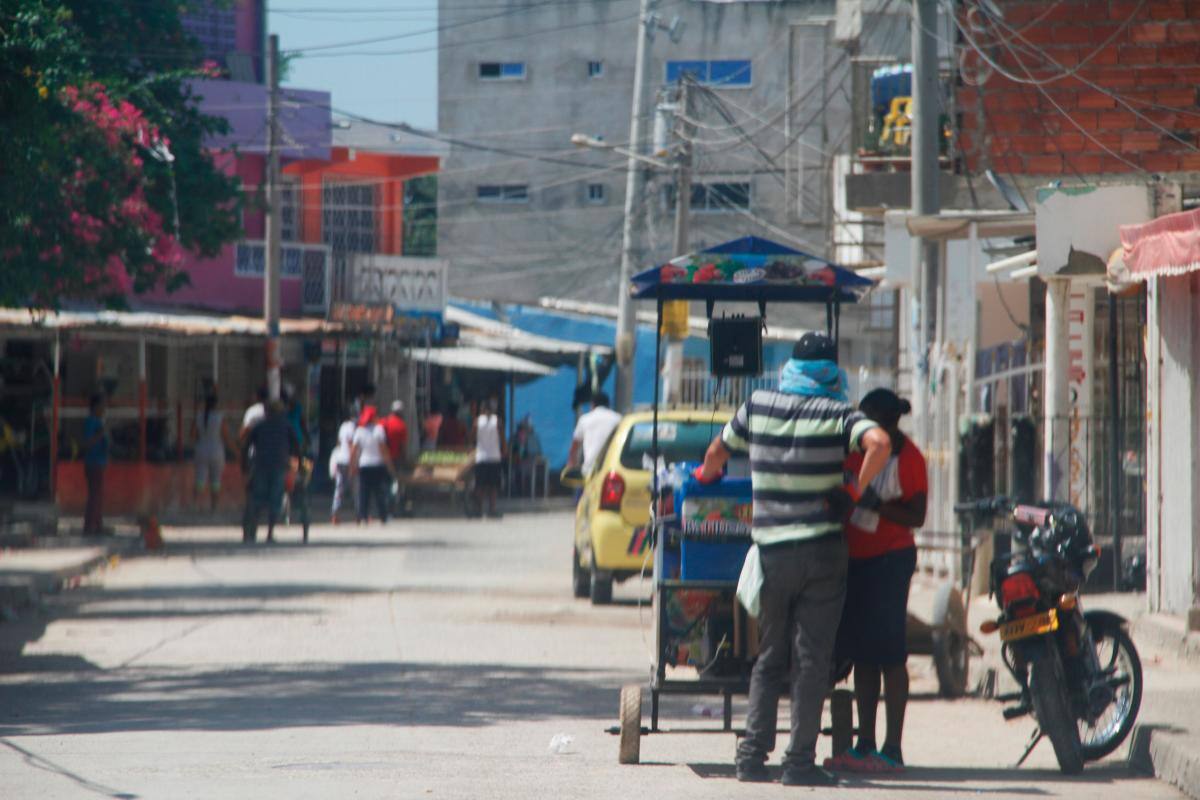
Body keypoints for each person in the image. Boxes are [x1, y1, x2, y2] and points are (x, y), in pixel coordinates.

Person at [695, 332, 891, 787]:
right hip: (822, 552)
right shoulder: (839, 412)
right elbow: (878, 444)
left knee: (769, 656)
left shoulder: (757, 405)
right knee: (811, 659)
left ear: (792, 369)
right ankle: (798, 762)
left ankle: (750, 757)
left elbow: (715, 454)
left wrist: (706, 476)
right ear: (830, 370)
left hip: (772, 555)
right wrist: (853, 491)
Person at [827, 388, 926, 774]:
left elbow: (916, 515)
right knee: (863, 654)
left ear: (888, 424)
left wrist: (876, 506)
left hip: (890, 560)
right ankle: (864, 742)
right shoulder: (856, 450)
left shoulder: (910, 458)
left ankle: (892, 749)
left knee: (889, 654)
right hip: (857, 559)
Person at [242, 400, 298, 544]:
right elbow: (296, 446)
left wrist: (245, 465)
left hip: (260, 465)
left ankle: (252, 531)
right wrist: (295, 462)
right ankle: (270, 533)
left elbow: (246, 444)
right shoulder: (286, 426)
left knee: (256, 499)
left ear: (266, 413)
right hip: (279, 466)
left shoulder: (259, 426)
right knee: (275, 500)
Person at [191, 393, 234, 512]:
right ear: (216, 404)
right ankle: (214, 507)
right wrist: (235, 449)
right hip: (217, 451)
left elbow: (192, 435)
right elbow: (225, 436)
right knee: (216, 480)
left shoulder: (199, 417)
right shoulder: (220, 417)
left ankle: (194, 504)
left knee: (200, 479)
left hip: (201, 450)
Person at [351, 406, 395, 524]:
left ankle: (362, 516)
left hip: (364, 465)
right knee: (379, 492)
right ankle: (383, 516)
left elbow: (354, 451)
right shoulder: (379, 430)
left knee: (363, 492)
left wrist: (352, 466)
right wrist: (389, 465)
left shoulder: (359, 431)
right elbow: (383, 449)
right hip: (377, 465)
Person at [567, 391, 622, 475]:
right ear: (608, 405)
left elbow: (574, 448)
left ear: (592, 404)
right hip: (612, 469)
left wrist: (571, 466)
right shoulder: (618, 419)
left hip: (590, 469)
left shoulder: (584, 419)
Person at [82, 392, 110, 537]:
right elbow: (87, 443)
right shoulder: (92, 422)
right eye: (103, 404)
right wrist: (100, 434)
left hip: (99, 462)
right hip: (93, 463)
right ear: (96, 406)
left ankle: (98, 525)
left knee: (98, 496)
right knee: (94, 496)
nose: (105, 407)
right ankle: (90, 526)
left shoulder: (98, 422)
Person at [473, 397, 505, 518]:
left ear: (482, 409)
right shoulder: (498, 421)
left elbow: (472, 437)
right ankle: (492, 509)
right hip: (494, 457)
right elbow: (502, 438)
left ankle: (479, 509)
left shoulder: (477, 421)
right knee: (493, 486)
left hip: (481, 457)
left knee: (480, 485)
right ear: (492, 410)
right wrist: (504, 450)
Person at [329, 407, 357, 525]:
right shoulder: (353, 427)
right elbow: (351, 446)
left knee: (339, 488)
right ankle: (359, 515)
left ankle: (335, 514)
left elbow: (339, 443)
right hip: (348, 460)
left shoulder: (343, 426)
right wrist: (353, 463)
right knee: (356, 489)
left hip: (340, 460)